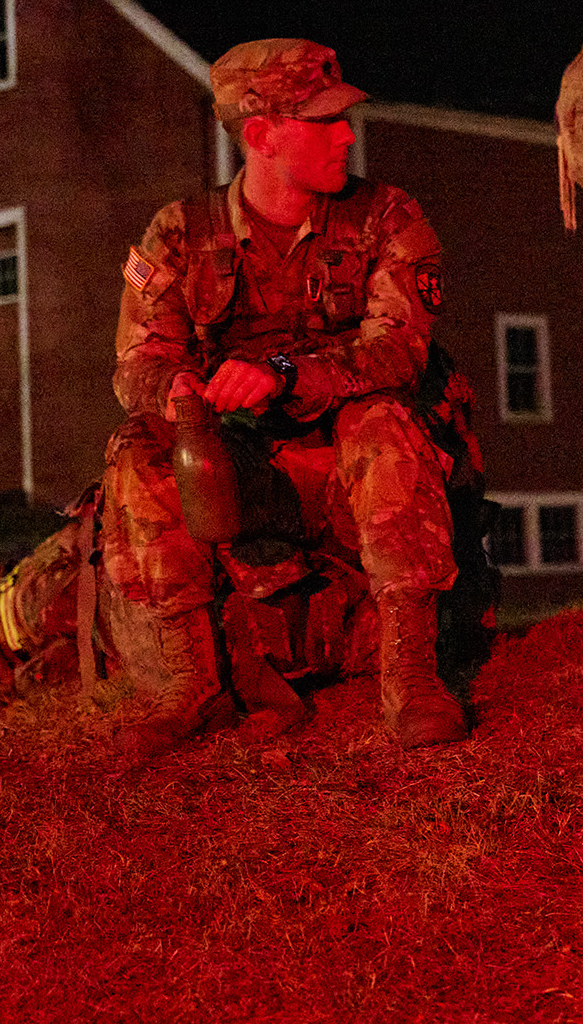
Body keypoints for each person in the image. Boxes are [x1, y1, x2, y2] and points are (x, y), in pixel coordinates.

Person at [101, 38, 470, 759]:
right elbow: (137, 362)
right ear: (263, 134)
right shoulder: (179, 235)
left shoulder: (387, 217)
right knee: (138, 446)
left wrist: (287, 374)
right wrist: (174, 389)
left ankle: (413, 680)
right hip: (243, 472)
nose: (346, 135)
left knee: (384, 417)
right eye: (323, 121)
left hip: (346, 471)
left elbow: (400, 348)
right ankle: (191, 685)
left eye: (343, 119)